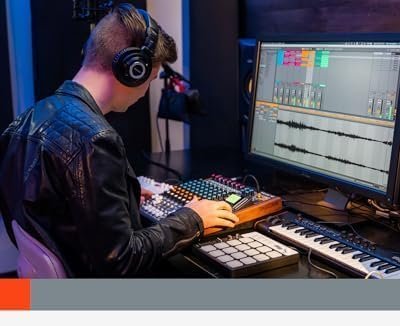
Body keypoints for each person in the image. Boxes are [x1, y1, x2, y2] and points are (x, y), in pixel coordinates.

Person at [0, 3, 238, 277]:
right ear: (133, 69)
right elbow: (121, 260)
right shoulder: (96, 140)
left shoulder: (26, 120)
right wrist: (191, 219)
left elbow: (53, 211)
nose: (146, 90)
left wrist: (120, 198)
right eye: (151, 78)